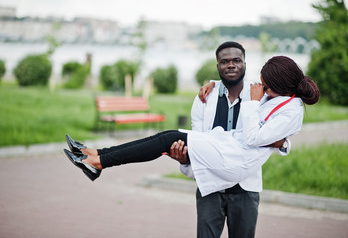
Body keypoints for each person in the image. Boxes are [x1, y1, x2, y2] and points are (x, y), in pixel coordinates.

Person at [64, 54, 319, 207]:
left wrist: (254, 102)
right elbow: (264, 130)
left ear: (279, 85)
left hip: (235, 158)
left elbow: (254, 137)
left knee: (169, 138)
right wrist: (214, 84)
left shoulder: (291, 110)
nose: (261, 87)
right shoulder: (278, 98)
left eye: (265, 85)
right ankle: (96, 156)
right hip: (228, 147)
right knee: (166, 138)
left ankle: (98, 161)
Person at [167, 41, 287, 238]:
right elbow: (197, 140)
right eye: (224, 61)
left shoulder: (261, 96)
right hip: (210, 187)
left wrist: (283, 142)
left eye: (237, 60)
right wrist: (184, 159)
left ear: (245, 65)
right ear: (218, 67)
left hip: (245, 188)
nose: (231, 65)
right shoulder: (204, 98)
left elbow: (281, 122)